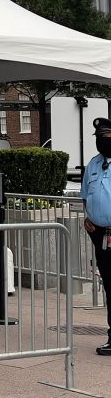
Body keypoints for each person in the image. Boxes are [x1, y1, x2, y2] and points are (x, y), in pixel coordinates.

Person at [81, 117, 111, 356]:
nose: (103, 141)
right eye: (100, 138)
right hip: (100, 234)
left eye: (107, 137)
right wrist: (88, 215)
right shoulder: (93, 164)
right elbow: (86, 195)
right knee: (109, 287)